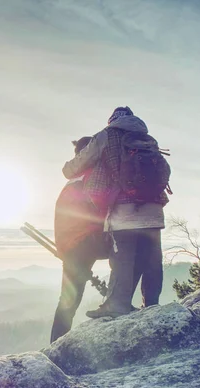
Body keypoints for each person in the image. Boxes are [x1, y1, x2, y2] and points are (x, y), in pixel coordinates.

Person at [62, 106, 170, 319]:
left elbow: (75, 167)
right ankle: (152, 306)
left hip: (124, 209)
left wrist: (67, 168)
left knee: (123, 260)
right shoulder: (148, 138)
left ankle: (117, 305)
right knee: (151, 260)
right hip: (154, 209)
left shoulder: (107, 135)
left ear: (112, 120)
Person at [50, 137, 110, 343]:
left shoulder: (70, 184)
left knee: (68, 301)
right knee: (128, 249)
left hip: (69, 246)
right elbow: (99, 211)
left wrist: (63, 248)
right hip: (87, 241)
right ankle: (117, 302)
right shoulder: (92, 178)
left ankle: (56, 345)